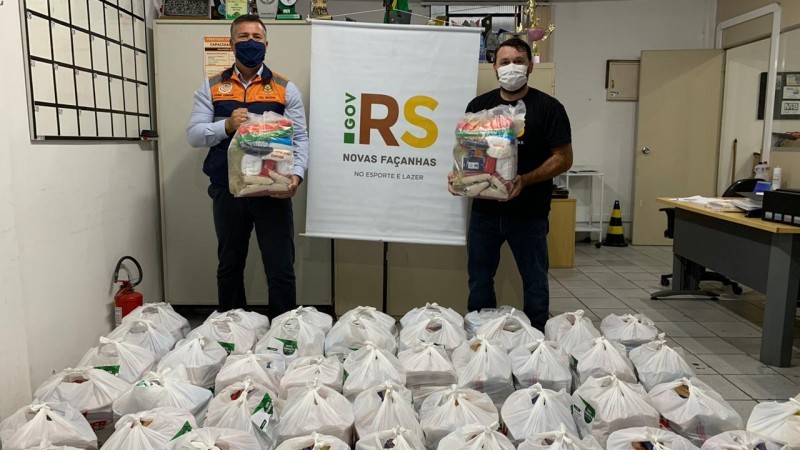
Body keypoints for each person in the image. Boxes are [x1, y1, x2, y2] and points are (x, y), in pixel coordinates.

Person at [186, 14, 308, 318]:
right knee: (229, 266)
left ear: (266, 43)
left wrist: (296, 176)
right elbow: (194, 135)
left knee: (280, 268)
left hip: (273, 190)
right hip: (229, 191)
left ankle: (283, 334)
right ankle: (233, 333)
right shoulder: (213, 86)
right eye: (243, 37)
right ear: (231, 43)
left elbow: (301, 138)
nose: (250, 42)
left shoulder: (284, 88)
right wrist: (225, 125)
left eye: (256, 37)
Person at [451, 38, 573, 331]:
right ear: (494, 68)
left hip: (530, 214)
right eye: (504, 62)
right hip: (485, 214)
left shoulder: (549, 108)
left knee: (534, 280)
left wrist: (525, 179)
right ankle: (482, 339)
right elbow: (470, 153)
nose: (511, 67)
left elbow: (564, 158)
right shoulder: (479, 107)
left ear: (530, 65)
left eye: (518, 61)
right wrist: (459, 176)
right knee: (479, 280)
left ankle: (539, 341)